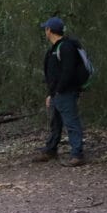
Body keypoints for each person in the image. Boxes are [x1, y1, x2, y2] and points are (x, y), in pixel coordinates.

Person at [34, 16, 86, 166]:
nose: (45, 31)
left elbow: (67, 72)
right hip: (57, 93)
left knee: (71, 122)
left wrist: (59, 91)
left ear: (49, 30)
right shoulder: (55, 48)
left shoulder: (66, 47)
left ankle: (77, 155)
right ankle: (50, 150)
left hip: (66, 92)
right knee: (55, 123)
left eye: (46, 28)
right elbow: (54, 74)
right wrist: (51, 94)